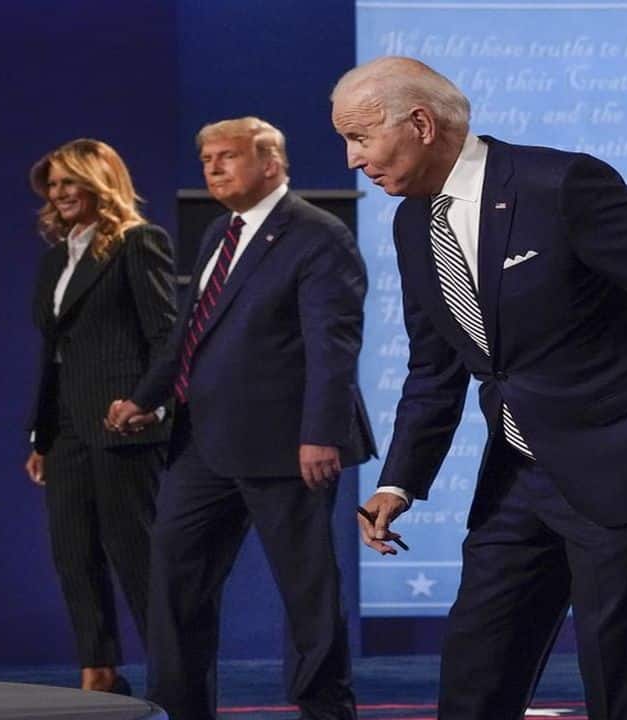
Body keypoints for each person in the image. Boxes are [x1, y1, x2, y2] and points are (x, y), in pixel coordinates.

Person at [333, 56, 627, 720]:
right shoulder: (412, 223)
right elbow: (435, 368)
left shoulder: (561, 185)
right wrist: (399, 482)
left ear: (420, 124)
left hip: (621, 462)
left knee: (622, 685)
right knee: (475, 676)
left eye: (359, 137)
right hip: (517, 473)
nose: (352, 159)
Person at [106, 117, 376, 720]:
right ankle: (176, 708)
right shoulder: (220, 233)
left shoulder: (318, 234)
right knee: (174, 582)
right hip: (203, 444)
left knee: (306, 592)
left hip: (288, 446)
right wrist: (147, 398)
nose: (213, 169)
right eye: (206, 159)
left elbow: (333, 345)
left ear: (271, 162)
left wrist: (321, 433)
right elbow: (191, 330)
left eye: (227, 156)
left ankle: (325, 711)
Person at [24, 138, 176, 694]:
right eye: (53, 184)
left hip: (123, 424)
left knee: (135, 554)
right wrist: (42, 436)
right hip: (66, 429)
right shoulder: (56, 259)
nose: (59, 193)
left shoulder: (139, 242)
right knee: (73, 553)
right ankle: (99, 672)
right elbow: (54, 353)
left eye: (70, 181)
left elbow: (165, 336)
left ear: (99, 182)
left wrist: (150, 405)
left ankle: (174, 674)